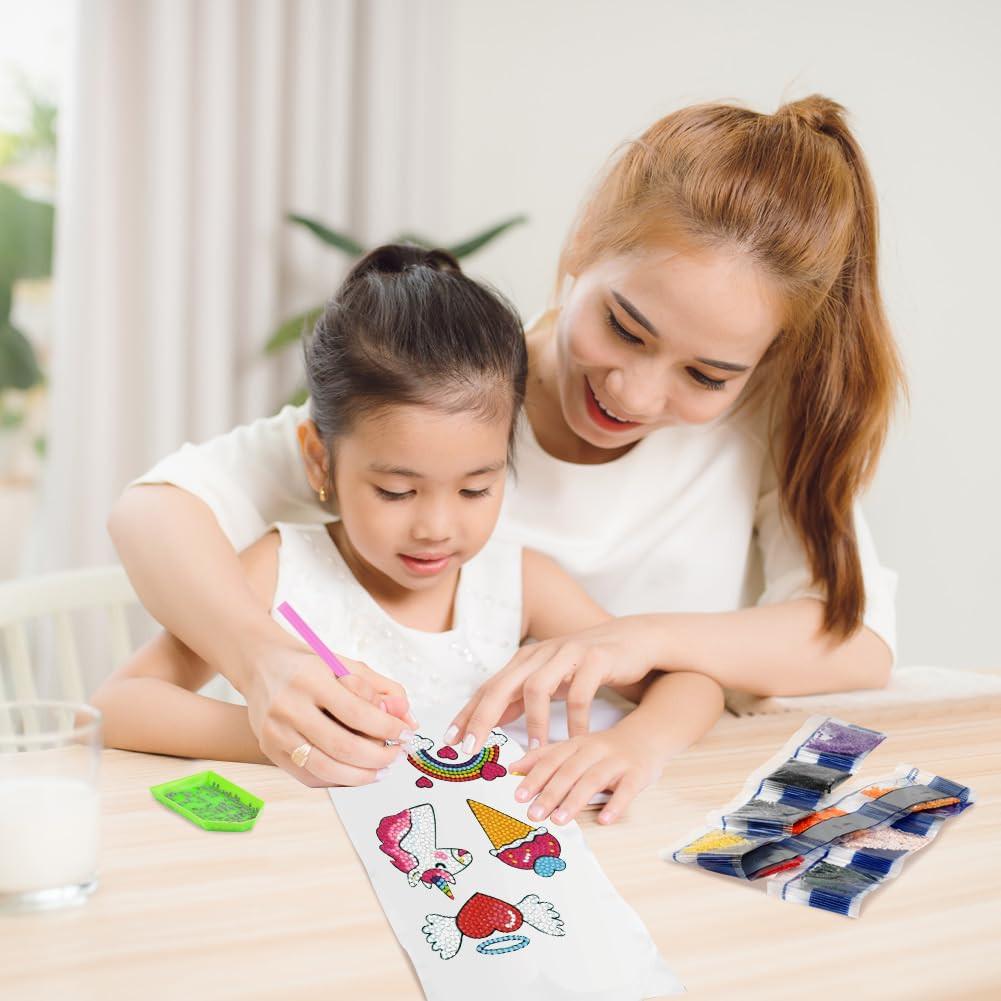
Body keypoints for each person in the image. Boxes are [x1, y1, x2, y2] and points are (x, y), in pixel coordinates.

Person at [108, 95, 902, 802]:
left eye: (706, 373)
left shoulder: (756, 428)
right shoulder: (451, 401)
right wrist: (260, 664)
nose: (634, 393)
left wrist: (638, 640)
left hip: (658, 792)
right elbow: (153, 513)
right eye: (624, 327)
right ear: (585, 243)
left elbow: (856, 642)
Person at [92, 245, 723, 826]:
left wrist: (633, 744)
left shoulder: (520, 582)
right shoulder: (281, 569)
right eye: (396, 492)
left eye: (476, 488)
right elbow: (119, 704)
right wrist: (280, 733)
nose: (436, 527)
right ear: (319, 460)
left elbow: (691, 684)